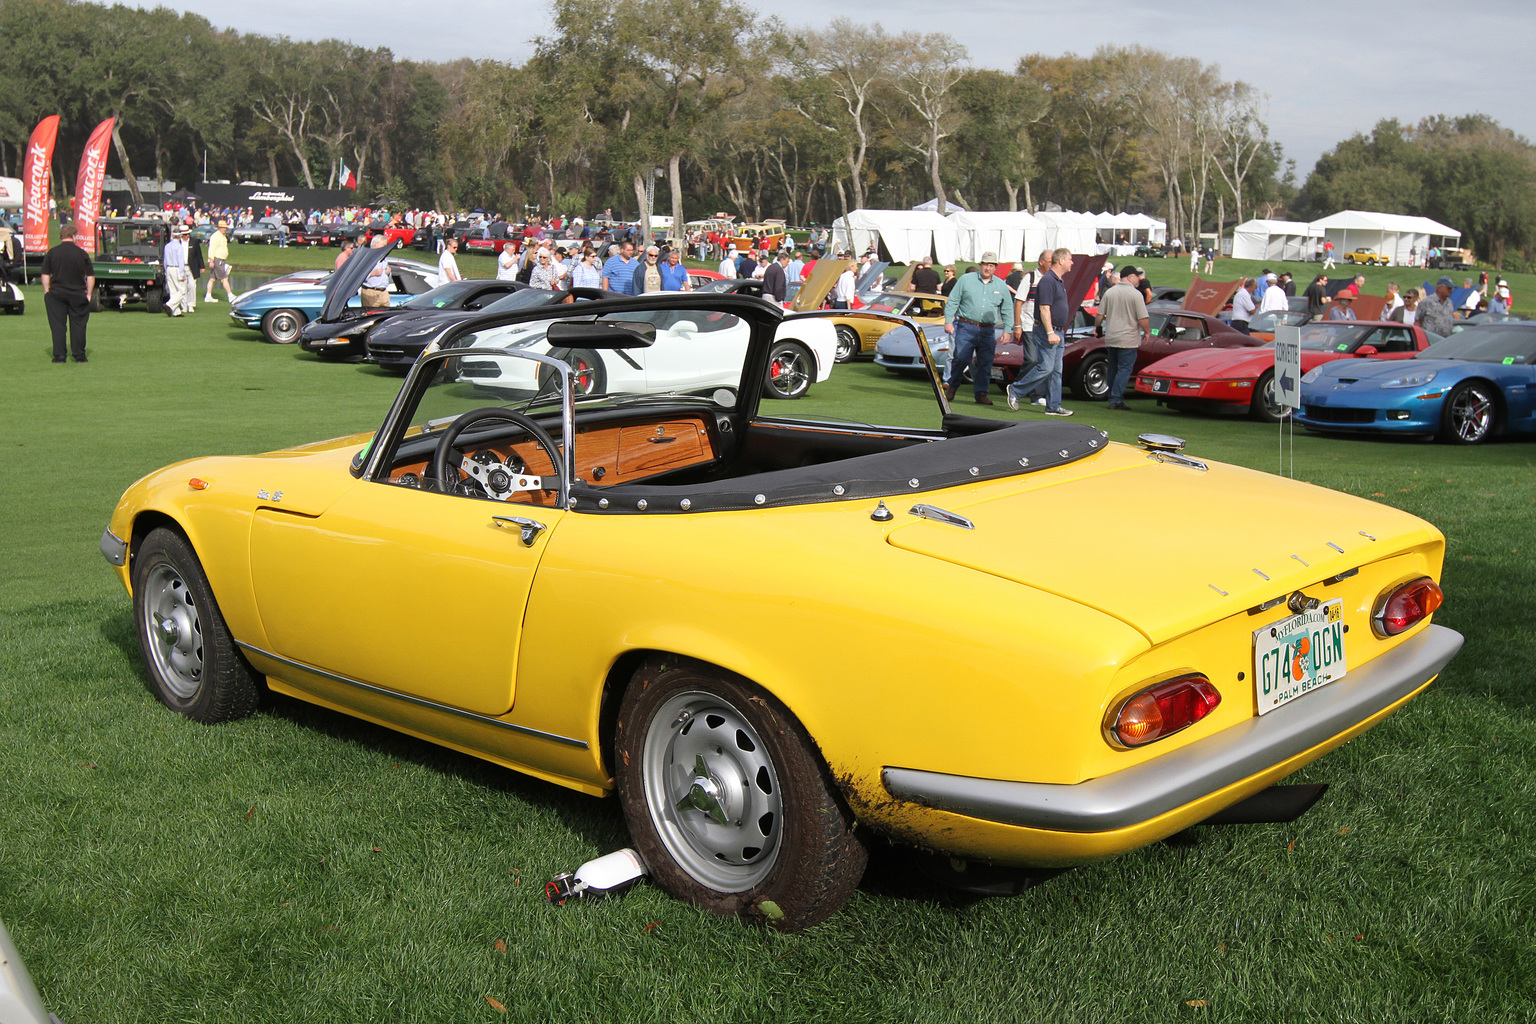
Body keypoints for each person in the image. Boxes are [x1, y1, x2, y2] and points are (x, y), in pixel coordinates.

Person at [1006, 248, 1074, 416]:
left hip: (1058, 331)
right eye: (1070, 259)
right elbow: (1044, 308)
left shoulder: (1057, 281)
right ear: (1061, 261)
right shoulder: (1048, 281)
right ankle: (1016, 390)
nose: (1072, 262)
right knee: (1046, 367)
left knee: (1056, 370)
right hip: (1046, 331)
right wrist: (1050, 332)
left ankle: (1053, 405)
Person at [941, 251, 1012, 406]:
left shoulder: (1000, 285)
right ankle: (952, 386)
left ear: (995, 267)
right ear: (981, 265)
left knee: (985, 362)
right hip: (966, 326)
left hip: (988, 330)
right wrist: (948, 321)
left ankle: (981, 393)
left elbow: (1007, 309)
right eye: (985, 264)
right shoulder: (966, 280)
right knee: (961, 358)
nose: (988, 268)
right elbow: (953, 300)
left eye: (991, 265)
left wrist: (1007, 329)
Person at [1098, 265, 1150, 411]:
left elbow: (1100, 315)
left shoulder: (1110, 292)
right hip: (1128, 338)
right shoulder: (1135, 294)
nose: (1138, 279)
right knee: (1124, 369)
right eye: (1136, 276)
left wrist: (1098, 328)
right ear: (1130, 277)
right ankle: (1116, 398)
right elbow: (1143, 317)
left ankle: (1112, 395)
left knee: (1113, 367)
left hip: (1112, 336)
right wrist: (1147, 332)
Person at [41, 222, 95, 363]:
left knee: (58, 325)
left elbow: (45, 274)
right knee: (78, 324)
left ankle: (59, 355)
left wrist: (47, 291)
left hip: (56, 294)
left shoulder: (52, 253)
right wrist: (88, 293)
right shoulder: (81, 253)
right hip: (77, 293)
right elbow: (90, 276)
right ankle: (79, 355)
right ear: (73, 236)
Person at [162, 225, 192, 317]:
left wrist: (165, 270)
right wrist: (182, 273)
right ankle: (169, 305)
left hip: (168, 269)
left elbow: (165, 260)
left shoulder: (167, 246)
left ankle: (176, 312)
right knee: (182, 291)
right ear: (179, 236)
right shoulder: (179, 247)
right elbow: (180, 261)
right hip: (176, 269)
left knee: (173, 290)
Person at [360, 235, 392, 308]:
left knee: (386, 315)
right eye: (383, 245)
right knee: (372, 315)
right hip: (371, 292)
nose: (385, 247)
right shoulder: (367, 257)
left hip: (383, 292)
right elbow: (359, 275)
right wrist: (373, 273)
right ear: (376, 243)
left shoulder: (384, 257)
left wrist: (389, 272)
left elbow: (387, 274)